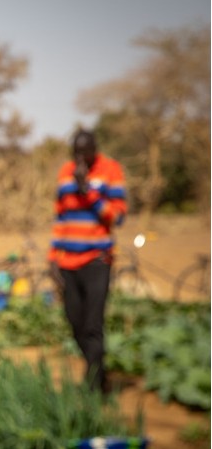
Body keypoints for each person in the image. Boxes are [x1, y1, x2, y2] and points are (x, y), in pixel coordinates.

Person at [48, 129, 126, 392]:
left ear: (95, 150)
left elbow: (116, 217)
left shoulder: (110, 170)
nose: (80, 158)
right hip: (68, 262)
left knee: (93, 325)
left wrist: (87, 191)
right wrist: (52, 258)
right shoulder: (64, 172)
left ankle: (94, 388)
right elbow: (61, 218)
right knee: (75, 324)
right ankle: (100, 377)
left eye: (85, 152)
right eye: (75, 152)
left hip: (97, 260)